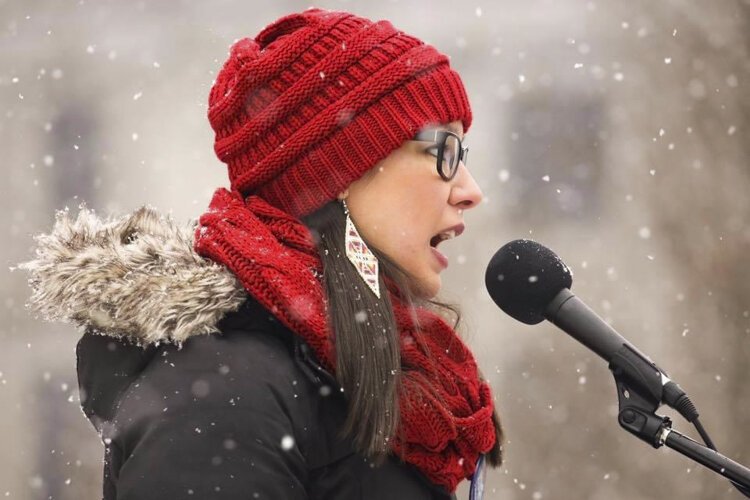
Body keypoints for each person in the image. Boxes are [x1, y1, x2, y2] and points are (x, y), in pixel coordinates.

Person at [19, 7, 503, 499]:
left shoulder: (357, 375)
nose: (471, 190)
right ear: (341, 171)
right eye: (443, 151)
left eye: (465, 156)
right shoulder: (225, 394)